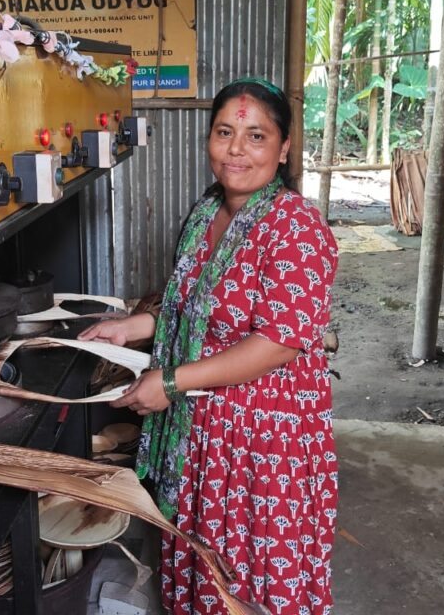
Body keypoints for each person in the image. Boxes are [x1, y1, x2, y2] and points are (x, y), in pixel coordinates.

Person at [80, 78, 339, 615]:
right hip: (203, 435)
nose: (237, 150)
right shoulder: (206, 214)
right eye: (225, 132)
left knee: (254, 571)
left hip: (265, 444)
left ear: (285, 147)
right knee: (205, 564)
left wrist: (172, 382)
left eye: (256, 136)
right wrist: (131, 328)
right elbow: (190, 310)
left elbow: (278, 344)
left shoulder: (296, 227)